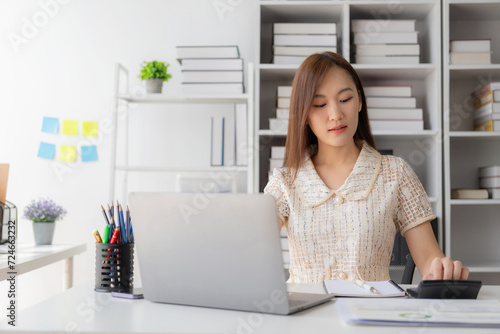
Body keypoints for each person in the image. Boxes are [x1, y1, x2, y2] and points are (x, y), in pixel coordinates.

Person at [264, 52, 469, 283]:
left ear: (360, 101)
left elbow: (430, 260)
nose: (335, 115)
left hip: (372, 312)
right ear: (305, 114)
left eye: (345, 100)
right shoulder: (285, 181)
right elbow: (251, 244)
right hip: (305, 315)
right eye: (319, 104)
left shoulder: (395, 173)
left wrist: (443, 272)